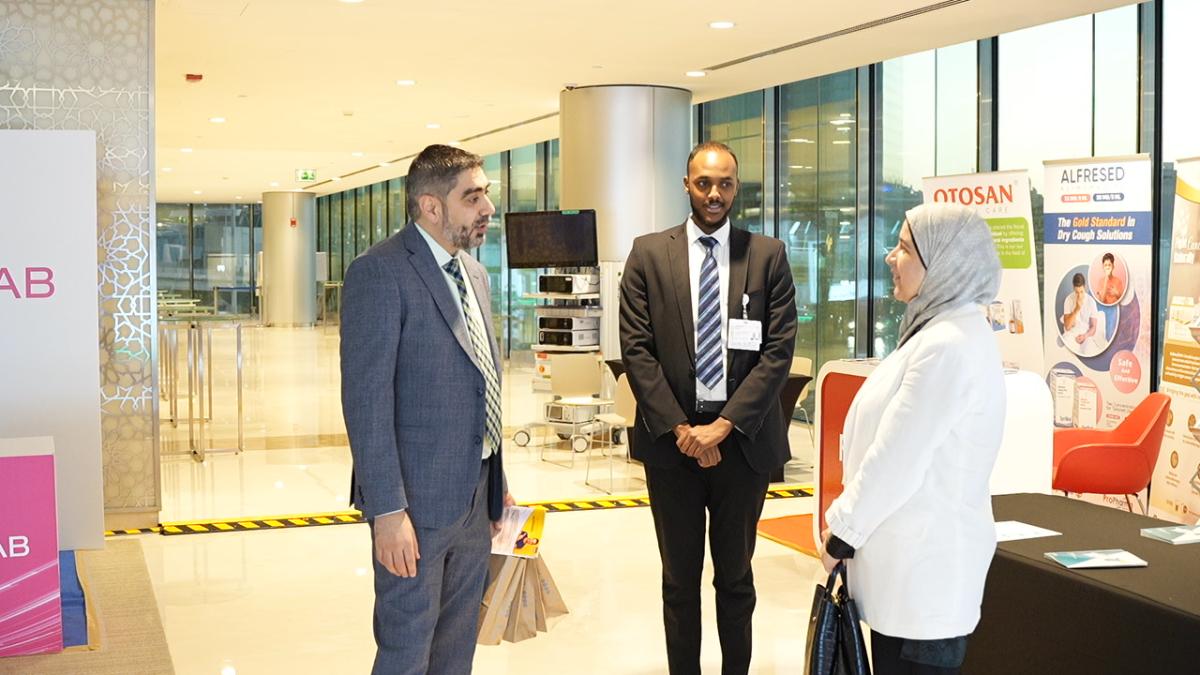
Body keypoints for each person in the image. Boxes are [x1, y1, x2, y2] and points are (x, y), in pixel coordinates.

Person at [620, 141, 797, 675]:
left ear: (736, 187)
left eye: (724, 184)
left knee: (736, 578)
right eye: (703, 183)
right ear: (687, 185)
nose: (714, 194)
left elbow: (777, 352)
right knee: (678, 581)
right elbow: (637, 350)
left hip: (742, 446)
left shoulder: (767, 255)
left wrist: (722, 426)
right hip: (671, 448)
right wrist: (682, 429)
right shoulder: (649, 254)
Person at [340, 144, 513, 675]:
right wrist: (388, 512)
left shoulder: (474, 274)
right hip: (413, 505)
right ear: (431, 206)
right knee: (407, 650)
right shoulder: (379, 272)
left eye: (485, 195)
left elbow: (480, 381)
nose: (487, 208)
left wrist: (497, 480)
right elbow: (366, 403)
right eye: (473, 197)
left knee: (457, 647)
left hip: (475, 496)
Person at [818, 203, 1006, 675]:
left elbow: (897, 457)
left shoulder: (948, 345)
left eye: (904, 248)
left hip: (925, 582)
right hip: (911, 577)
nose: (890, 257)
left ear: (943, 263)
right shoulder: (939, 332)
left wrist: (842, 533)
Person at [1062, 272, 1101, 355]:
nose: (1079, 296)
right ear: (1073, 288)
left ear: (1085, 287)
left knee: (1090, 350)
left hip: (1086, 335)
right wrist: (1077, 309)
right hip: (1071, 334)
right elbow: (1067, 327)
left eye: (1081, 292)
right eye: (1077, 292)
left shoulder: (1091, 302)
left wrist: (1085, 336)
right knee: (1065, 345)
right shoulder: (1068, 300)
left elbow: (1093, 327)